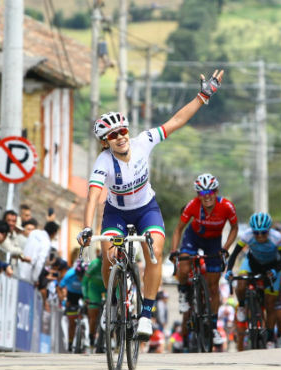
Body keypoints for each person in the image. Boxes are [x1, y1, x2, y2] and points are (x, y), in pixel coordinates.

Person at [77, 70, 224, 340]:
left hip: (146, 209)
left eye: (122, 130)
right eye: (112, 135)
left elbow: (176, 121)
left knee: (154, 249)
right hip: (116, 213)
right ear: (104, 142)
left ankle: (145, 314)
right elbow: (94, 196)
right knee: (108, 251)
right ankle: (112, 306)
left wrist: (203, 95)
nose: (120, 137)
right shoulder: (103, 163)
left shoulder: (143, 142)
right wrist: (87, 228)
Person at [169, 173, 238, 346]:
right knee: (184, 266)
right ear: (198, 195)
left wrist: (225, 249)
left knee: (213, 287)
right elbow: (178, 229)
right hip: (193, 237)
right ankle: (184, 293)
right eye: (202, 193)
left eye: (210, 192)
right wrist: (173, 252)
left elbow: (234, 228)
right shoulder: (193, 205)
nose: (206, 196)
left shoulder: (227, 206)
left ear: (216, 192)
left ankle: (213, 327)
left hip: (214, 242)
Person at [225, 212, 281, 349]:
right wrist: (229, 270)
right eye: (256, 233)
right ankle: (242, 306)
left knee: (270, 304)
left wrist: (274, 271)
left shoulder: (277, 238)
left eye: (263, 233)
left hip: (272, 267)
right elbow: (234, 255)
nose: (260, 236)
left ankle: (271, 338)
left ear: (269, 230)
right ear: (252, 231)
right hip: (252, 264)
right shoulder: (247, 235)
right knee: (241, 283)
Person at [59, 260, 87, 352]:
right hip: (72, 295)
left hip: (84, 293)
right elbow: (60, 287)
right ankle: (70, 343)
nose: (80, 278)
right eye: (79, 276)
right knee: (71, 323)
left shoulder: (88, 274)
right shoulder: (69, 274)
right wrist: (63, 298)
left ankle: (88, 339)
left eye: (82, 276)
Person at [81, 245, 106, 348]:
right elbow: (84, 282)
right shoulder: (95, 264)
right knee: (93, 315)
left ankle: (112, 338)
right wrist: (86, 296)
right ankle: (91, 337)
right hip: (94, 289)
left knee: (113, 310)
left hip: (106, 288)